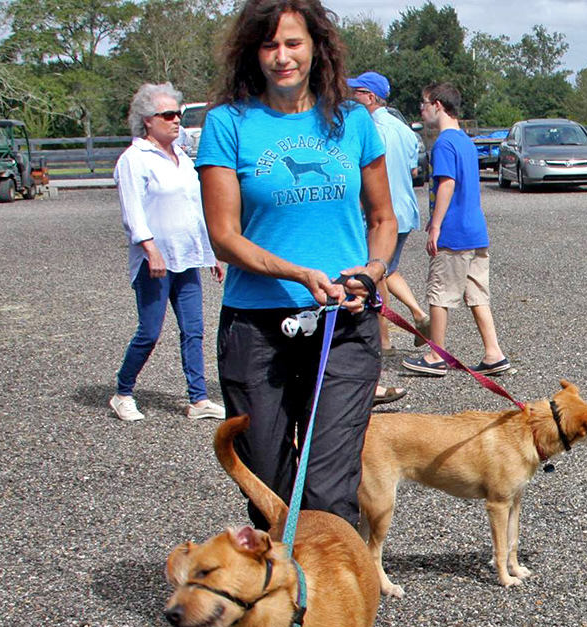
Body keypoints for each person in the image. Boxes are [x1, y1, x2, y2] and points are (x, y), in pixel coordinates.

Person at [195, 0, 396, 529]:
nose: (281, 56)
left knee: (329, 488)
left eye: (292, 43)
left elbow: (382, 218)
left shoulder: (352, 120)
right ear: (252, 53)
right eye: (269, 45)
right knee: (268, 485)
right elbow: (223, 236)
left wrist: (372, 271)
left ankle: (333, 603)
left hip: (344, 322)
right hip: (258, 325)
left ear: (316, 47)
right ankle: (282, 595)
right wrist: (298, 273)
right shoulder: (228, 124)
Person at [110, 82, 226, 423]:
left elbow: (195, 207)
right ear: (147, 120)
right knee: (149, 331)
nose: (176, 120)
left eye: (178, 114)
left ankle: (198, 398)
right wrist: (150, 249)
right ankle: (123, 391)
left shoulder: (182, 158)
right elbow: (132, 211)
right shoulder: (134, 159)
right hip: (155, 261)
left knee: (194, 328)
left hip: (186, 256)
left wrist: (211, 253)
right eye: (168, 115)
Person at [403, 82, 510, 377]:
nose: (421, 111)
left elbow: (447, 184)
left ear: (438, 105)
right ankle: (493, 353)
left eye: (423, 105)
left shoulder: (444, 143)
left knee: (439, 293)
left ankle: (436, 356)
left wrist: (435, 225)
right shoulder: (465, 140)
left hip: (454, 233)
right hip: (476, 231)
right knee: (477, 294)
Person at [346, 69, 420, 406]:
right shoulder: (404, 129)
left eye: (357, 93)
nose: (351, 98)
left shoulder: (371, 128)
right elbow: (415, 170)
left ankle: (384, 340)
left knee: (374, 275)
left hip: (379, 214)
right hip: (404, 211)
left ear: (370, 97)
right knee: (385, 271)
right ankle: (416, 315)